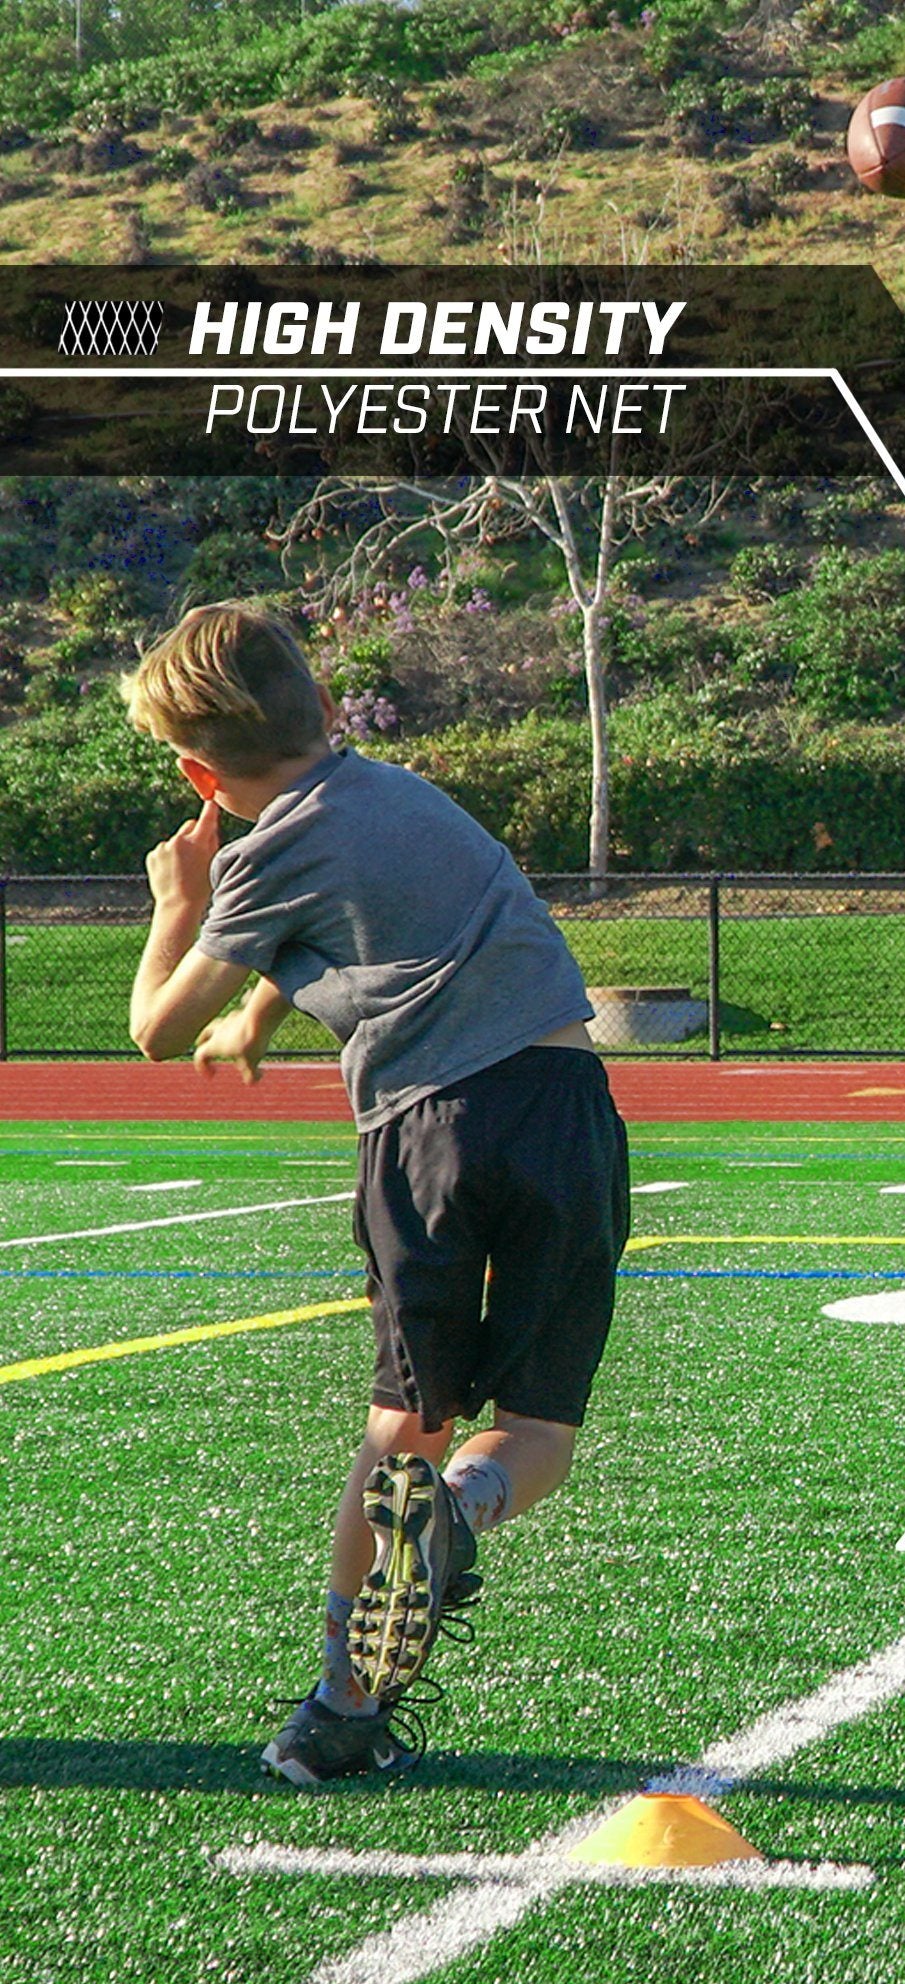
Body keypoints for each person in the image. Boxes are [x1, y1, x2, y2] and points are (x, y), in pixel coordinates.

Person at [122, 602, 630, 1786]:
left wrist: (178, 900)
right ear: (326, 707)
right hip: (565, 1103)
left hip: (427, 1132)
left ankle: (341, 1705)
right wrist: (261, 1017)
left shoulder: (261, 857)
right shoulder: (407, 797)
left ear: (200, 774)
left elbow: (156, 1026)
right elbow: (362, 922)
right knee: (538, 1428)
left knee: (404, 1418)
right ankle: (463, 1506)